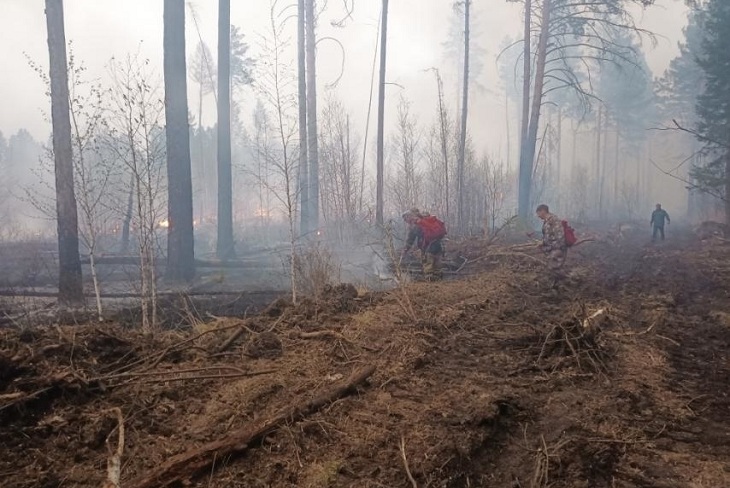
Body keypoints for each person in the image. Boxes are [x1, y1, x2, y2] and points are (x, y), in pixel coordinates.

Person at [401, 208, 446, 281]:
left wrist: (405, 249)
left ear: (409, 216)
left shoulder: (416, 223)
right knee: (437, 264)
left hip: (427, 246)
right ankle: (439, 281)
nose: (405, 221)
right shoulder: (426, 219)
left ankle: (430, 282)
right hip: (438, 244)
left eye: (405, 218)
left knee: (428, 265)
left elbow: (410, 240)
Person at [536, 204, 567, 286]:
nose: (538, 216)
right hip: (552, 248)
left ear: (543, 211)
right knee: (553, 268)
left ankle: (571, 279)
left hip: (557, 249)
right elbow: (549, 236)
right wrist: (543, 243)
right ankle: (557, 288)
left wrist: (555, 249)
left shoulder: (554, 220)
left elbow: (559, 236)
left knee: (554, 267)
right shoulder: (547, 221)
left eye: (538, 213)